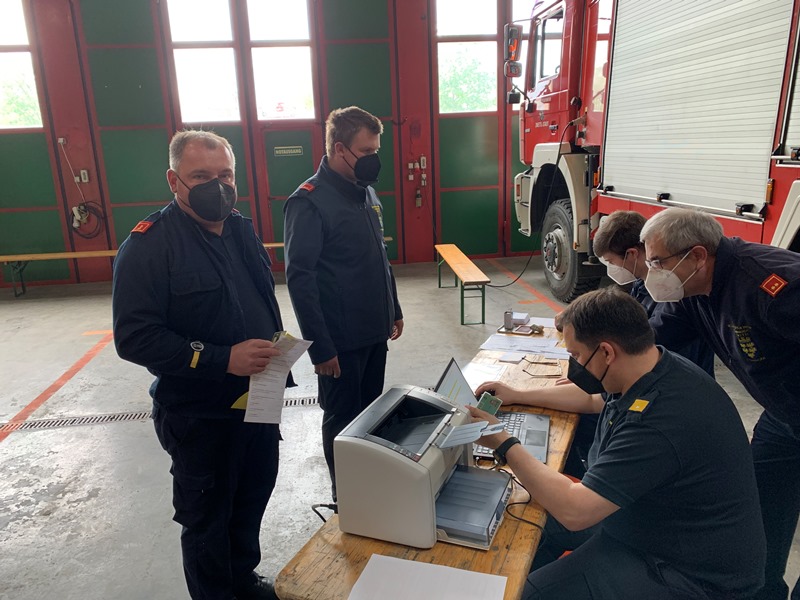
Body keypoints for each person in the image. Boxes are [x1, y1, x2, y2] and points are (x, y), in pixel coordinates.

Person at [471, 288, 765, 600]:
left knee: (529, 593)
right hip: (652, 520)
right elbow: (592, 399)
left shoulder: (660, 419)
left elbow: (575, 510)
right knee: (527, 518)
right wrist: (518, 394)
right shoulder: (650, 366)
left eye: (577, 356)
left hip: (688, 570)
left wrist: (503, 442)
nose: (575, 365)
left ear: (607, 352)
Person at [112, 130, 288, 600]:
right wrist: (222, 358)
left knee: (251, 499)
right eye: (202, 176)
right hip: (199, 415)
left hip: (258, 400)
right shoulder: (149, 246)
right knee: (207, 519)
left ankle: (242, 580)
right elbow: (134, 337)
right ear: (174, 181)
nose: (218, 186)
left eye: (226, 175)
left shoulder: (240, 229)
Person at [640, 207, 800, 600]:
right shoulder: (692, 292)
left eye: (658, 262)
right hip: (784, 416)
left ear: (697, 255)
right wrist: (595, 352)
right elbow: (646, 342)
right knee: (761, 520)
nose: (652, 273)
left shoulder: (772, 285)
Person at [283, 106, 403, 500]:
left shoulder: (365, 192)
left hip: (373, 330)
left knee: (371, 414)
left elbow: (379, 257)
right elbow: (300, 278)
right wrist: (320, 346)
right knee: (342, 420)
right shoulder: (309, 202)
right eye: (366, 151)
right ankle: (347, 499)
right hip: (340, 341)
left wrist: (393, 308)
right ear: (339, 149)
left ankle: (368, 487)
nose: (374, 159)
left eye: (376, 150)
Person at [593, 210, 715, 376]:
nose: (611, 268)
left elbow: (651, 341)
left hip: (675, 380)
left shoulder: (674, 289)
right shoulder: (641, 285)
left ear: (632, 253)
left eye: (611, 262)